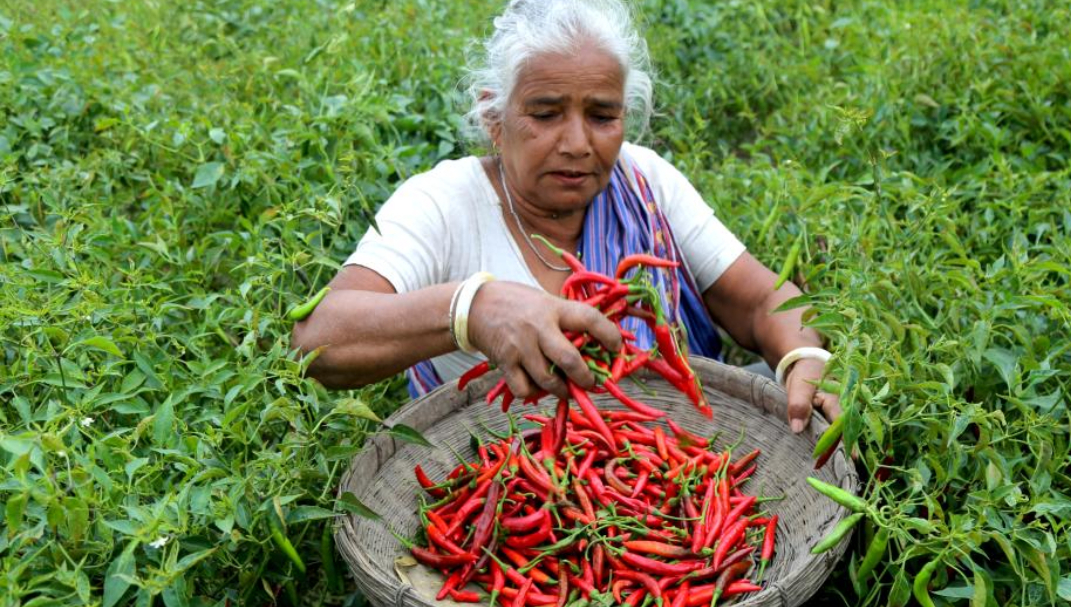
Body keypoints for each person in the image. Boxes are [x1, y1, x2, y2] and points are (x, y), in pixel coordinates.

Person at [291, 0, 840, 434]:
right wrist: (471, 309)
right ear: (494, 118)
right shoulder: (443, 202)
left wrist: (803, 355)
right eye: (545, 113)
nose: (577, 143)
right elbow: (319, 343)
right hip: (515, 480)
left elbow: (762, 301)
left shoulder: (643, 181)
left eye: (602, 116)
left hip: (668, 456)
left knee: (806, 411)